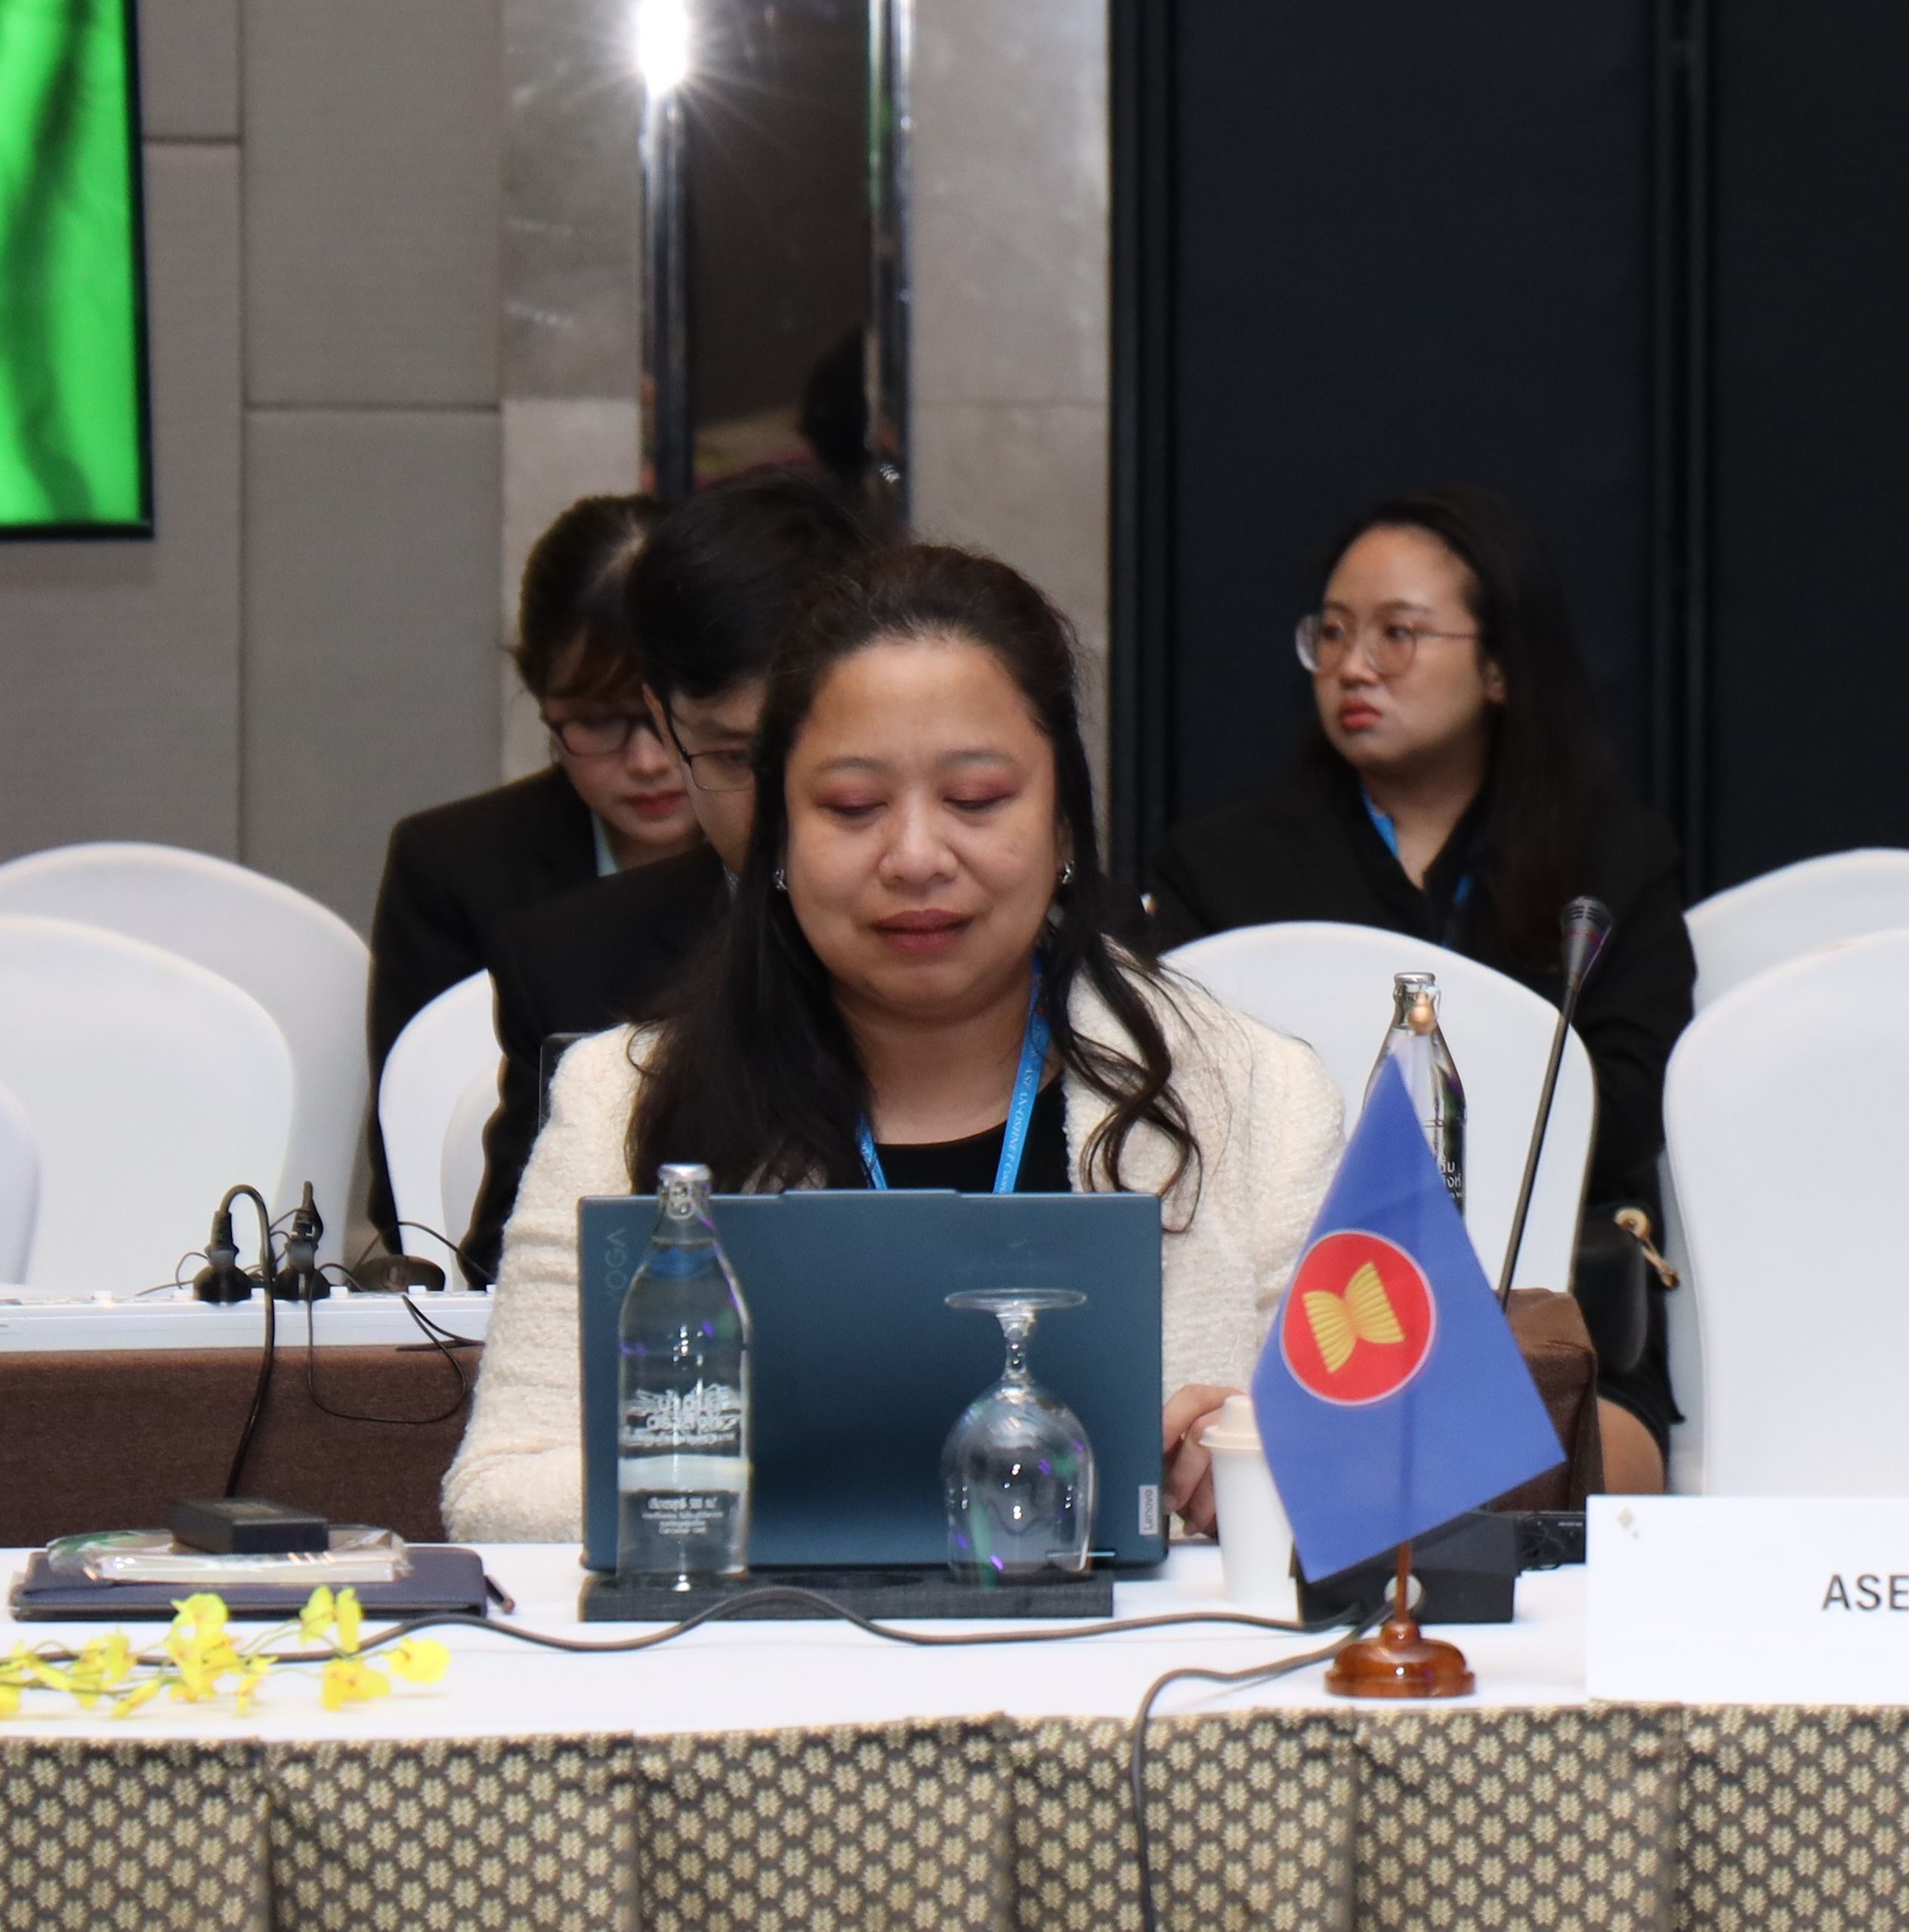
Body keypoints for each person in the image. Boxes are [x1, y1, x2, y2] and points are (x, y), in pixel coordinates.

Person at [443, 544, 1344, 1544]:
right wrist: (919, 1481)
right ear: (778, 838)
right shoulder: (621, 1098)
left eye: (977, 799)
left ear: (1065, 825)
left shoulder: (1255, 1094)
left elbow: (1368, 1471)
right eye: (852, 807)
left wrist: (1257, 1475)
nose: (916, 857)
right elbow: (500, 1494)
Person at [1142, 488, 1696, 1494]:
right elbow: (1191, 1101)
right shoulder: (1221, 864)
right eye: (1333, 632)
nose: (1355, 666)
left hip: (1545, 1297)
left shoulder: (1610, 860)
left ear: (1501, 665)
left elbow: (1625, 1103)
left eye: (1397, 634)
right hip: (1302, 1296)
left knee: (1574, 1474)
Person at [456, 473, 879, 1279]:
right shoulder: (570, 960)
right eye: (734, 757)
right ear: (673, 725)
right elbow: (514, 1278)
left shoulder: (1022, 937)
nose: (789, 800)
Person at [360, 493, 687, 1255]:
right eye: (598, 720)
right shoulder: (452, 864)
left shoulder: (797, 863)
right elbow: (408, 1181)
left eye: (672, 715)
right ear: (540, 695)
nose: (647, 761)